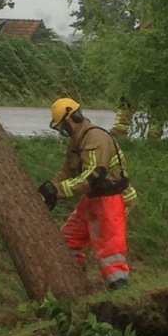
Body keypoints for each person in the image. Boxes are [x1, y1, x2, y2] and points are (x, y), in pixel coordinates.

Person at [39, 97, 137, 290]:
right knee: (68, 239)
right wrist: (48, 188)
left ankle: (120, 290)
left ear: (71, 118)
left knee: (110, 252)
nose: (62, 131)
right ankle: (76, 281)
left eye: (62, 127)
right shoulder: (78, 141)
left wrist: (58, 191)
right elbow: (68, 171)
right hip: (92, 198)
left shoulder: (95, 139)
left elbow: (93, 177)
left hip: (110, 198)